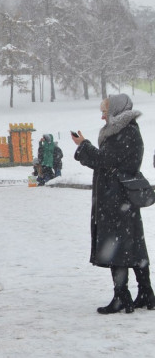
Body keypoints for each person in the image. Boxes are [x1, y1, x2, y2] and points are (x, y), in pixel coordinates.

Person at [72, 93, 154, 314]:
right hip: (121, 198)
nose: (102, 117)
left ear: (116, 111)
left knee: (118, 247)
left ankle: (122, 297)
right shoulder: (128, 130)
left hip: (116, 199)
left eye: (105, 112)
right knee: (133, 245)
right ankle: (146, 293)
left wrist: (84, 146)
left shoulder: (123, 132)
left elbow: (104, 160)